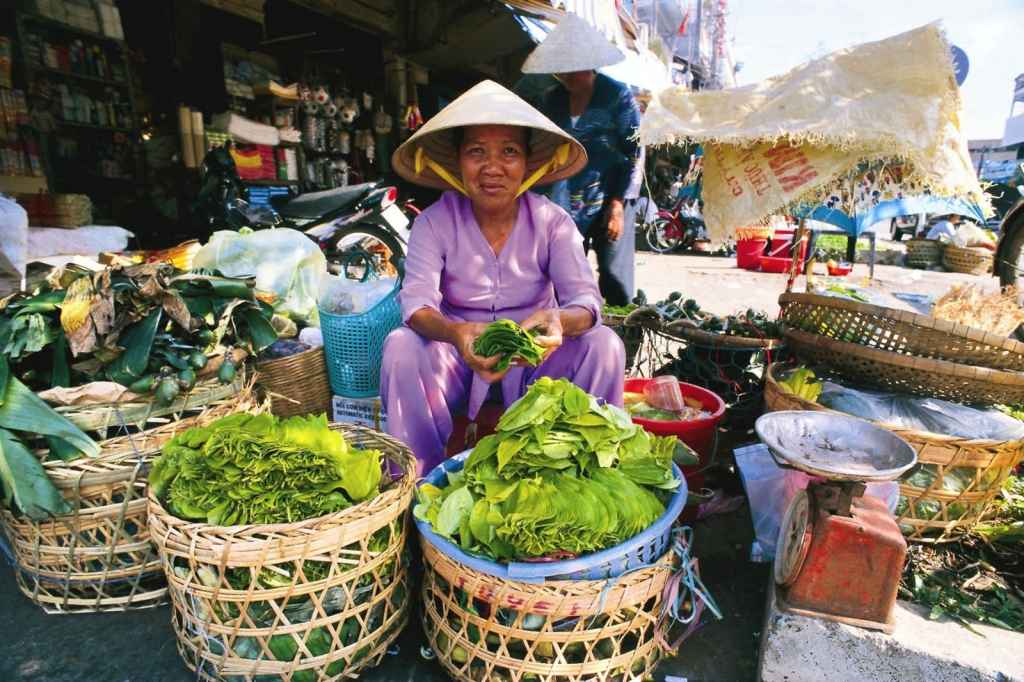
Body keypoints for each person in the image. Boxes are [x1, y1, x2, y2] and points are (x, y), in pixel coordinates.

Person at [382, 80, 626, 475]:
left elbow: (586, 301)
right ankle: (416, 484)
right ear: (458, 162)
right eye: (476, 151)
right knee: (401, 346)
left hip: (536, 360)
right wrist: (457, 333)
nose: (492, 166)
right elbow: (417, 306)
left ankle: (584, 473)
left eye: (509, 151)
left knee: (604, 345)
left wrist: (559, 322)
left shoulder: (552, 222)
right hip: (456, 359)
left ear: (528, 162)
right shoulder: (434, 222)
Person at [522, 13, 642, 307]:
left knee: (615, 277)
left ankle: (623, 338)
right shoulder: (551, 100)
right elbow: (541, 146)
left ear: (589, 65)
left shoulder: (617, 96)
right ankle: (574, 335)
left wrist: (617, 204)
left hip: (611, 195)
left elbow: (634, 151)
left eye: (573, 70)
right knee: (564, 277)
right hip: (563, 198)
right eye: (562, 71)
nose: (567, 78)